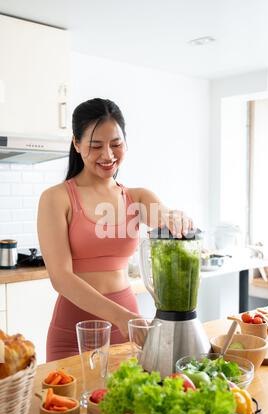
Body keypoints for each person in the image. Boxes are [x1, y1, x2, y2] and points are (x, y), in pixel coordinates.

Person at [38, 98, 193, 361]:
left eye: (116, 144)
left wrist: (173, 216)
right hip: (73, 335)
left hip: (127, 331)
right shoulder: (56, 198)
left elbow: (163, 215)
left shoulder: (137, 197)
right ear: (76, 144)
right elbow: (60, 278)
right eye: (96, 145)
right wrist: (121, 317)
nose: (108, 155)